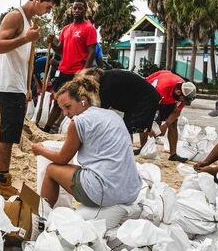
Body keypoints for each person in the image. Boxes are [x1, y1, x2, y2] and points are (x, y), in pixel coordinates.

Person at [0, 0, 61, 198]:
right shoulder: (16, 16)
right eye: (48, 6)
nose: (48, 11)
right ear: (37, 0)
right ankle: (2, 181)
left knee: (6, 127)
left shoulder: (28, 20)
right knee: (9, 135)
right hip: (9, 85)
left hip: (17, 85)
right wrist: (26, 38)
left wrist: (27, 87)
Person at [31, 76, 142, 208]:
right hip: (130, 191)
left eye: (68, 107)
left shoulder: (78, 122)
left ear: (83, 101)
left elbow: (62, 159)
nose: (65, 113)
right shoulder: (112, 115)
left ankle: (42, 215)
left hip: (103, 193)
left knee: (51, 169)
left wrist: (40, 150)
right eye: (62, 109)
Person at [43, 0, 100, 133]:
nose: (76, 11)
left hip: (77, 72)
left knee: (78, 102)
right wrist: (51, 43)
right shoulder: (66, 29)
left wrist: (84, 72)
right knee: (58, 100)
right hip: (64, 71)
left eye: (79, 8)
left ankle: (77, 131)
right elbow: (61, 51)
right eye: (74, 8)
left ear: (85, 10)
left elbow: (92, 51)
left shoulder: (89, 28)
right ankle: (47, 128)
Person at [78, 68, 160, 136]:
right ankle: (141, 147)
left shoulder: (106, 85)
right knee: (131, 126)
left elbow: (100, 111)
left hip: (146, 98)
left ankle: (144, 146)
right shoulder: (104, 77)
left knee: (132, 127)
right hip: (135, 100)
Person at [139, 70, 197, 162]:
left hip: (168, 98)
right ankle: (143, 148)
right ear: (178, 92)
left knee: (173, 124)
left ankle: (173, 154)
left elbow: (176, 112)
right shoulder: (161, 88)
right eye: (183, 100)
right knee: (146, 124)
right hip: (151, 94)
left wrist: (165, 125)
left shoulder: (184, 91)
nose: (183, 102)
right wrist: (152, 127)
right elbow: (148, 110)